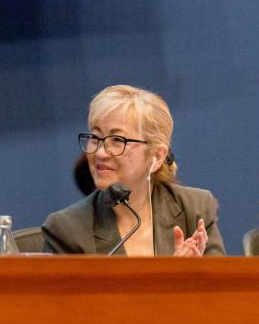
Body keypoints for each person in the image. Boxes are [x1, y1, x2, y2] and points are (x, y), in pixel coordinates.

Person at [42, 85, 225, 256]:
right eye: (95, 137)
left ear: (157, 157)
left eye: (117, 140)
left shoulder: (194, 210)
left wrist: (195, 276)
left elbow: (226, 287)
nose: (100, 152)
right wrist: (171, 279)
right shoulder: (67, 229)